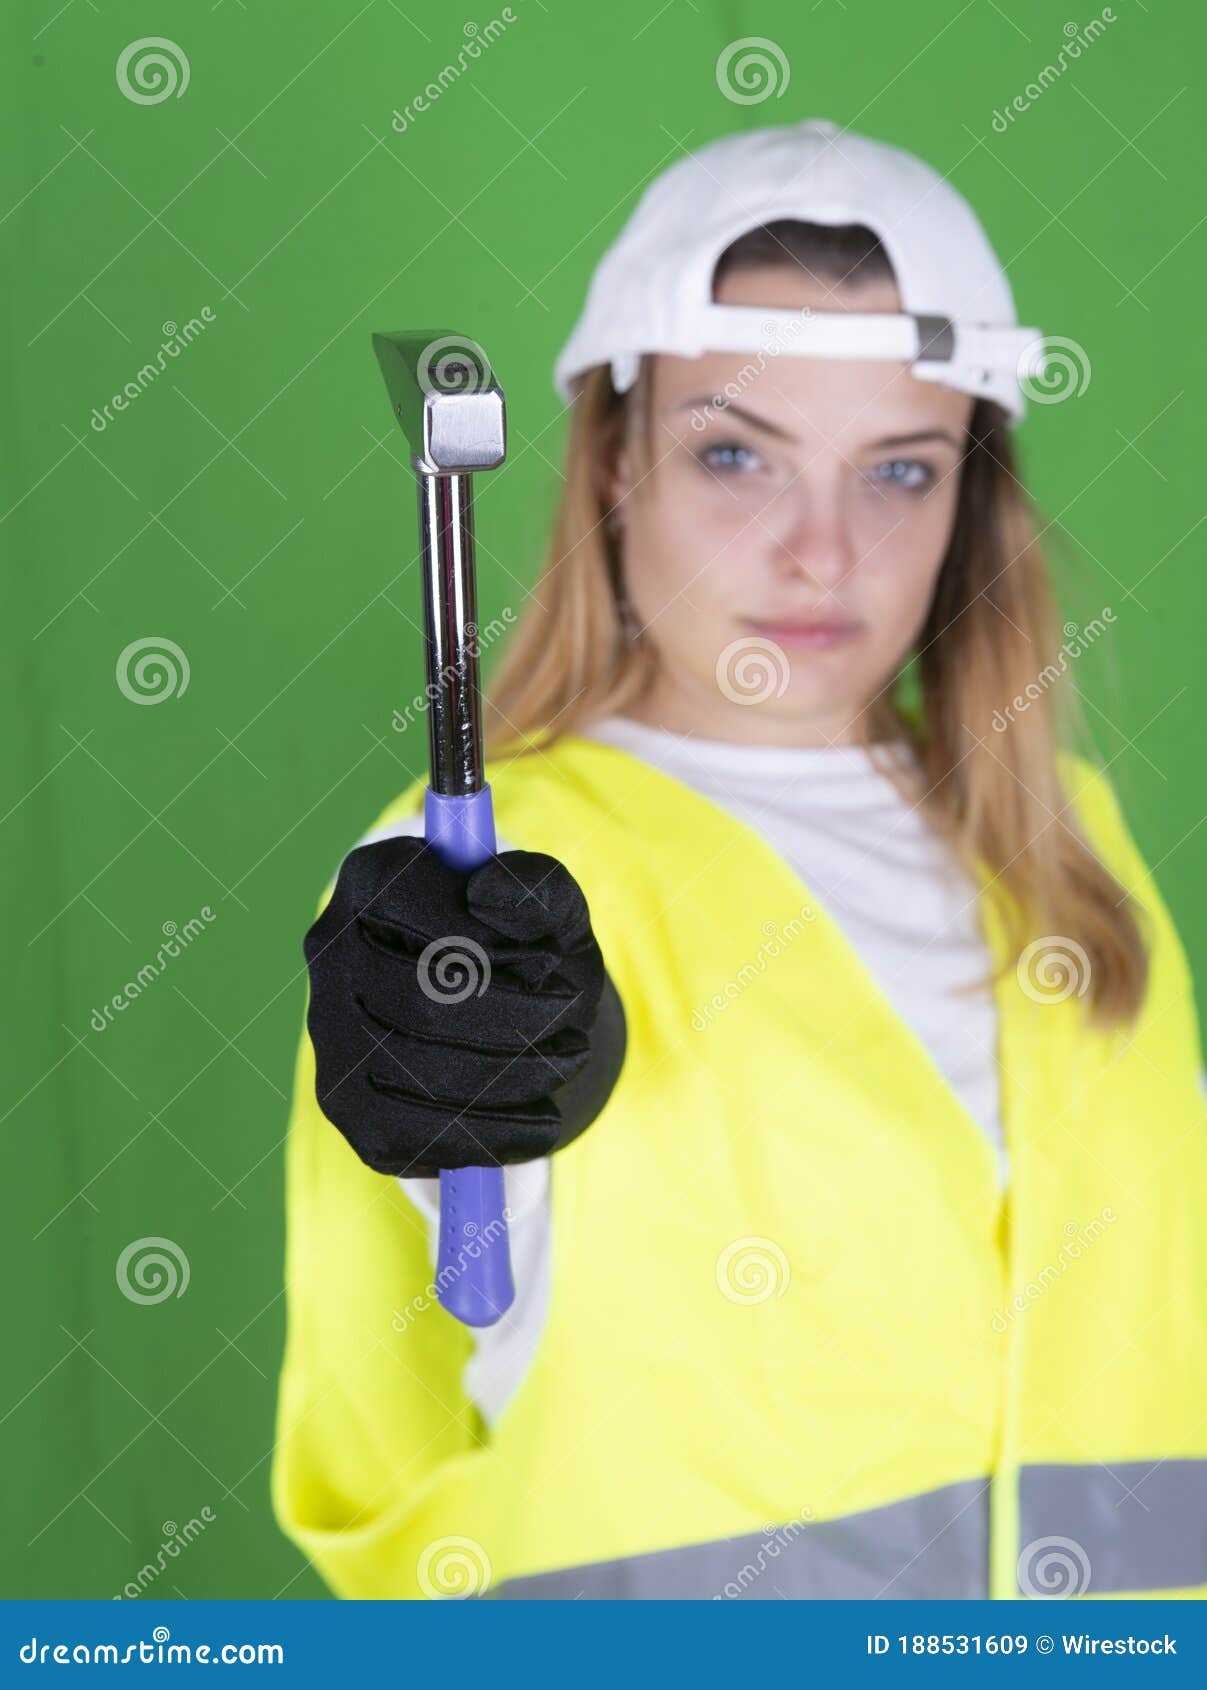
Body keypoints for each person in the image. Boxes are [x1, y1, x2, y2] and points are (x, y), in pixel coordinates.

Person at [271, 119, 1207, 1601]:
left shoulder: (1066, 839)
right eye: (734, 454)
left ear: (970, 492)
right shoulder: (477, 881)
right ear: (616, 462)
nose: (822, 553)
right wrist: (464, 1061)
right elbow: (472, 1168)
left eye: (900, 471)